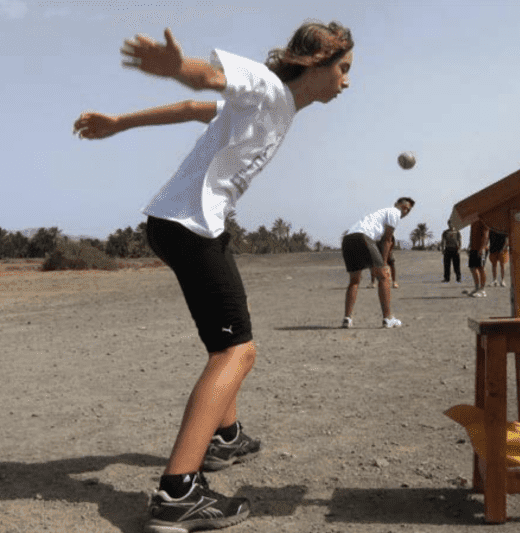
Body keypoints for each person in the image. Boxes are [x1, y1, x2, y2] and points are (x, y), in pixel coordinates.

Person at [73, 21, 354, 533]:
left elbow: (190, 112)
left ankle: (224, 436)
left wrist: (119, 122)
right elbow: (204, 81)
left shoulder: (273, 107)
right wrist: (178, 68)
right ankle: (178, 492)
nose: (347, 81)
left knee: (227, 337)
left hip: (182, 222)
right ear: (316, 62)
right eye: (343, 68)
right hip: (189, 224)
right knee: (237, 351)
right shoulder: (268, 88)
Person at [341, 198, 414, 328]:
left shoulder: (379, 214)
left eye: (408, 210)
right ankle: (388, 318)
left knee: (354, 280)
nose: (406, 210)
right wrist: (384, 264)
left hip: (348, 239)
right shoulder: (394, 212)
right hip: (363, 237)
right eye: (404, 206)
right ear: (396, 205)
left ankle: (347, 318)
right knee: (384, 277)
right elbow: (387, 240)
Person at [466, 220, 489, 297]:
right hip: (473, 248)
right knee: (472, 267)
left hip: (481, 248)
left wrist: (482, 248)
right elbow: (472, 235)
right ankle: (476, 288)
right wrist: (469, 246)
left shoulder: (483, 220)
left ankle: (482, 290)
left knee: (481, 267)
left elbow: (486, 235)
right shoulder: (473, 221)